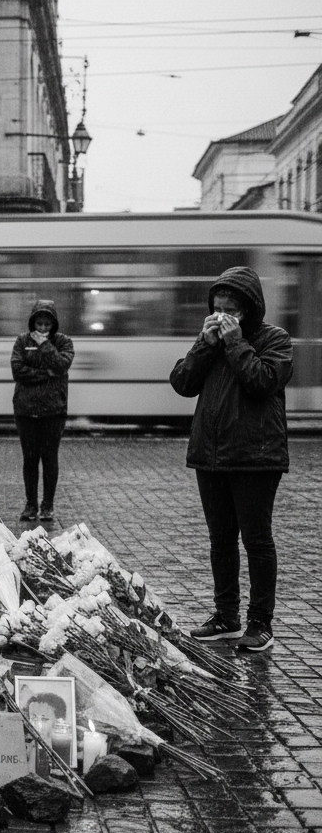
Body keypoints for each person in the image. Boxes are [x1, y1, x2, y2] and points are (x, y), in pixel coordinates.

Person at [169, 266, 292, 653]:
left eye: (230, 309)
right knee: (220, 542)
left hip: (256, 457)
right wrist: (205, 344)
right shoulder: (212, 342)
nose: (222, 316)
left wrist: (237, 343)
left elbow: (261, 381)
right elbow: (182, 383)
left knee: (257, 541)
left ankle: (260, 623)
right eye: (216, 308)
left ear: (249, 309)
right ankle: (226, 616)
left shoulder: (275, 339)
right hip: (211, 455)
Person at [10, 300, 74, 522]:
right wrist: (45, 374)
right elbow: (17, 371)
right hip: (25, 411)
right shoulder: (22, 341)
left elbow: (60, 365)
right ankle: (30, 505)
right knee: (30, 458)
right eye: (39, 323)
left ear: (53, 324)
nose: (43, 329)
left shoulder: (63, 342)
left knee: (49, 458)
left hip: (53, 412)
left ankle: (47, 506)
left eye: (47, 324)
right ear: (33, 322)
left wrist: (45, 346)